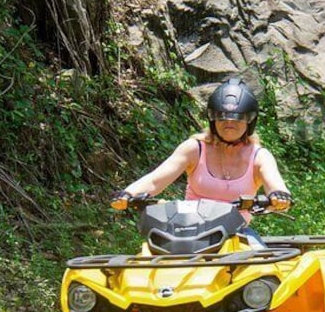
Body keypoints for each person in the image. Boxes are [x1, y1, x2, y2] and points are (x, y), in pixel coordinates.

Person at [110, 77, 292, 232]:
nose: (229, 122)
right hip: (188, 231)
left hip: (237, 235)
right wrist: (127, 194)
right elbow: (155, 180)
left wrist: (279, 197)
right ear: (213, 120)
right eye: (222, 116)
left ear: (249, 121)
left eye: (237, 117)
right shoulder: (194, 149)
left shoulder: (259, 156)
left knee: (261, 271)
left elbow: (276, 186)